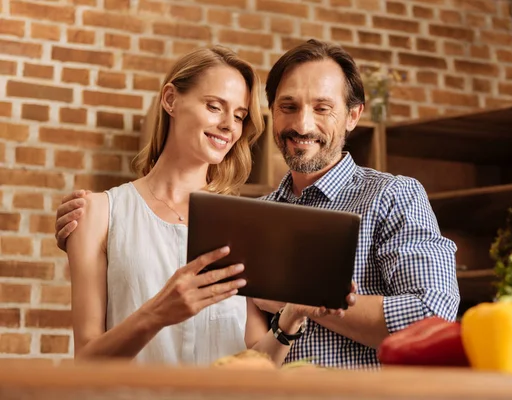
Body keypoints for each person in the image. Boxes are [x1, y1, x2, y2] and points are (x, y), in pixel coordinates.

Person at [55, 39, 459, 369]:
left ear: (353, 116)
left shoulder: (392, 196)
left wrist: (300, 306)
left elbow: (434, 319)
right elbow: (254, 359)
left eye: (322, 108)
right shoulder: (250, 217)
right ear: (170, 100)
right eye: (288, 107)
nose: (302, 124)